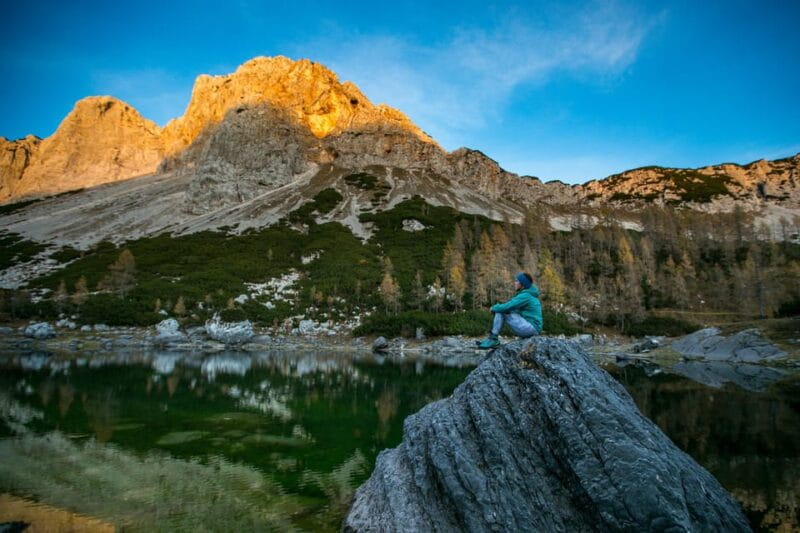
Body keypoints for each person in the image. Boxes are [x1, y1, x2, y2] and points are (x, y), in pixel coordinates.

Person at [477, 272, 543, 349]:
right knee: (504, 310)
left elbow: (507, 306)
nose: (514, 283)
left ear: (522, 284)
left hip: (531, 328)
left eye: (516, 281)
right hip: (533, 328)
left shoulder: (526, 296)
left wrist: (493, 308)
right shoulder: (528, 294)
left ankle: (493, 339)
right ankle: (492, 339)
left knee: (501, 311)